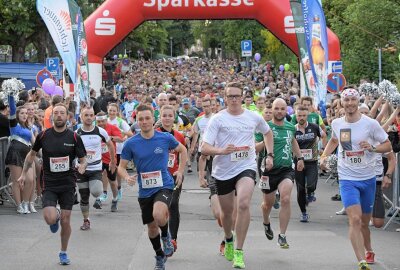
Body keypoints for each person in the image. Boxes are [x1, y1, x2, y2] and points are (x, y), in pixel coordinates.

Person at [202, 82, 274, 269]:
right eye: (230, 96)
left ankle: (239, 252)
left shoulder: (253, 117)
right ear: (225, 98)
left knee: (243, 204)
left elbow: (268, 133)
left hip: (246, 166)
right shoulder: (217, 119)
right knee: (226, 214)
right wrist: (222, 150)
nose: (234, 99)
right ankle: (229, 238)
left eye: (237, 96)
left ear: (242, 97)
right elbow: (204, 147)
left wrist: (270, 154)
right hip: (223, 171)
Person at [320, 88, 392, 270]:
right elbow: (335, 141)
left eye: (353, 100)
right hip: (347, 179)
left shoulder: (370, 124)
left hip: (368, 179)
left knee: (364, 223)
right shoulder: (337, 123)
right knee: (354, 219)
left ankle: (368, 249)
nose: (350, 103)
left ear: (357, 101)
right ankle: (360, 260)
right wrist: (323, 156)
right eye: (347, 100)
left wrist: (373, 148)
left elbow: (388, 145)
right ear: (342, 103)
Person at [118, 104, 187, 270]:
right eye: (140, 119)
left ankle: (166, 237)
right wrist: (127, 177)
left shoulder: (164, 138)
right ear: (137, 121)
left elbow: (183, 150)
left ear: (153, 119)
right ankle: (159, 255)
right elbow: (121, 167)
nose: (144, 122)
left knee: (159, 214)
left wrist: (180, 171)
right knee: (151, 226)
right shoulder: (131, 143)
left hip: (164, 184)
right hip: (145, 190)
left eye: (147, 118)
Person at [18, 103, 87, 265]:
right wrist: (22, 174)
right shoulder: (43, 136)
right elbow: (31, 155)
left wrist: (82, 167)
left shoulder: (74, 137)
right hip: (49, 183)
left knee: (66, 219)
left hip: (67, 183)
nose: (59, 116)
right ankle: (53, 218)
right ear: (51, 116)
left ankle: (63, 252)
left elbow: (83, 160)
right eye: (56, 113)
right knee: (50, 218)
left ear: (67, 117)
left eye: (62, 113)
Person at [256, 98, 304, 249]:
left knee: (285, 198)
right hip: (269, 170)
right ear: (272, 109)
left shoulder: (290, 127)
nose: (279, 111)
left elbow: (293, 141)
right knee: (267, 204)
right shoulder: (265, 127)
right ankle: (266, 222)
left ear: (286, 110)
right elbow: (255, 148)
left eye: (282, 109)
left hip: (286, 169)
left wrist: (300, 157)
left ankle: (282, 235)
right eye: (276, 108)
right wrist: (267, 140)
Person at [76, 106, 116, 230]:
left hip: (95, 168)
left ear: (94, 116)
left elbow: (110, 145)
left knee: (96, 191)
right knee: (84, 197)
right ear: (81, 117)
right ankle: (86, 220)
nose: (89, 118)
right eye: (86, 115)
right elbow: (71, 150)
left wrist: (113, 161)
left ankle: (98, 196)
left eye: (91, 115)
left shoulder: (100, 131)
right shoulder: (76, 132)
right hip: (81, 169)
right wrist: (74, 165)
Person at [157, 105, 187, 252]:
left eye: (170, 115)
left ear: (174, 117)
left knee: (173, 204)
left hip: (174, 175)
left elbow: (183, 153)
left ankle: (173, 239)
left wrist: (180, 171)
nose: (167, 118)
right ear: (160, 117)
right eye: (165, 115)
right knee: (161, 210)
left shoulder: (179, 136)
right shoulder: (154, 134)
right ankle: (164, 235)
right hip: (158, 177)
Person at [294, 105, 325, 222]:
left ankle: (310, 192)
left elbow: (324, 135)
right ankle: (303, 212)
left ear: (307, 116)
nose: (301, 118)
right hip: (298, 162)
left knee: (311, 185)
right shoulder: (293, 129)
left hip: (312, 161)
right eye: (299, 116)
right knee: (300, 189)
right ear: (295, 116)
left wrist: (322, 148)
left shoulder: (314, 127)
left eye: (304, 115)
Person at [5, 94, 35, 214]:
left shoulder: (28, 128)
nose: (24, 115)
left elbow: (35, 143)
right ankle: (19, 205)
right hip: (15, 154)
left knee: (30, 180)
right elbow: (12, 109)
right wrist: (11, 96)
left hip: (27, 155)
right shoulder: (14, 125)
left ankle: (26, 202)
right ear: (17, 115)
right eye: (21, 113)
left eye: (25, 113)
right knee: (17, 181)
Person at [96, 112, 123, 209]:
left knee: (112, 182)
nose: (101, 123)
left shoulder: (112, 128)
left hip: (111, 160)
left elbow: (121, 139)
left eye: (103, 121)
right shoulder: (95, 129)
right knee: (97, 179)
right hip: (98, 159)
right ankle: (100, 197)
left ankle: (115, 198)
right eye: (98, 121)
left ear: (106, 120)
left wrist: (109, 138)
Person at [107, 103, 133, 200]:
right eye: (110, 110)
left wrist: (122, 131)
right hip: (108, 150)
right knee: (107, 171)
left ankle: (119, 188)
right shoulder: (105, 121)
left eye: (114, 111)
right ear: (107, 111)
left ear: (117, 112)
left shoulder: (120, 121)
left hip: (119, 149)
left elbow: (130, 133)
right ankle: (107, 191)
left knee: (118, 170)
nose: (112, 112)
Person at [191, 97, 214, 187]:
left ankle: (213, 191)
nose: (206, 108)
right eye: (204, 106)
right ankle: (206, 183)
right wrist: (193, 147)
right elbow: (196, 134)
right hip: (202, 149)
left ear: (211, 106)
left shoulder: (216, 117)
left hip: (214, 151)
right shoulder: (199, 119)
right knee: (202, 174)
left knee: (213, 175)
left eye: (208, 106)